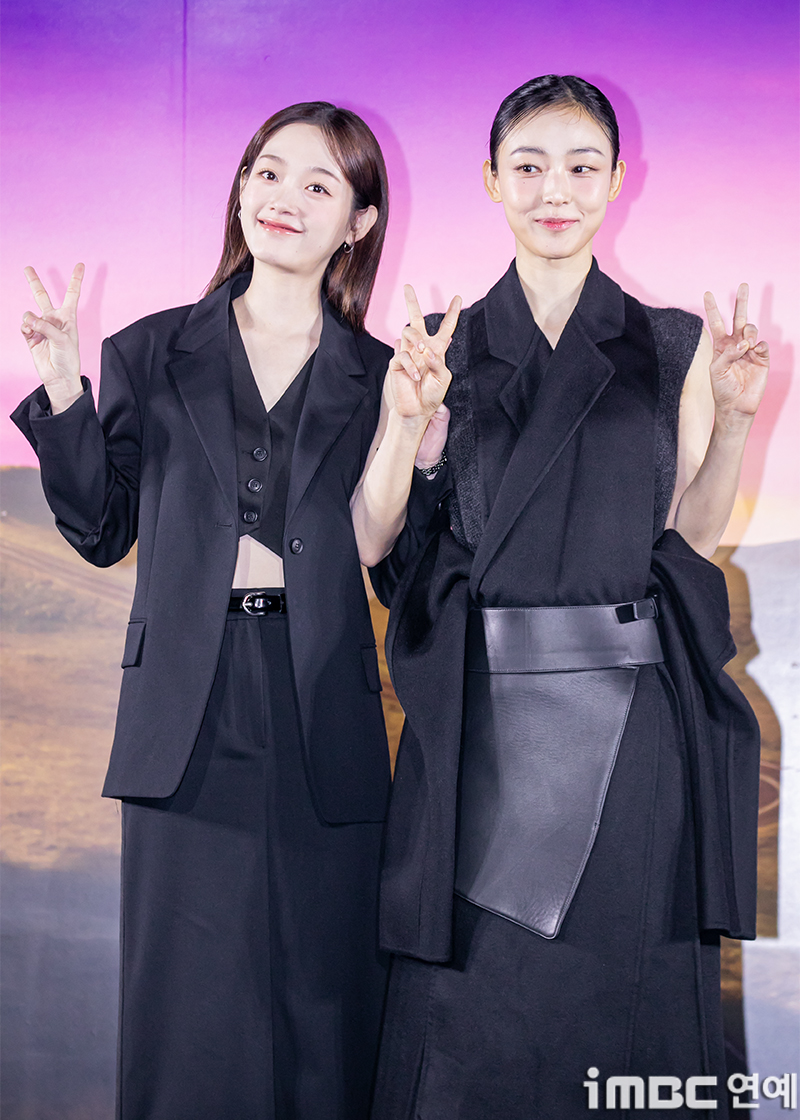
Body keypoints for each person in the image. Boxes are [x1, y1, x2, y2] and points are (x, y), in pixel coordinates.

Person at [352, 76, 766, 1119]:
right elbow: (372, 540)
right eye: (528, 166)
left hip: (632, 731)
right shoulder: (438, 344)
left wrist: (730, 421)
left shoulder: (669, 342)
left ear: (617, 181)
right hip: (480, 726)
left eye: (581, 167)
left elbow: (690, 538)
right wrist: (406, 425)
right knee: (469, 1019)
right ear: (491, 181)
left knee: (624, 1006)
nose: (555, 190)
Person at [13, 101, 397, 1120]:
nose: (284, 198)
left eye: (319, 184)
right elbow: (101, 529)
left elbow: (397, 563)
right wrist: (62, 388)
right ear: (239, 188)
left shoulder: (383, 378)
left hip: (323, 702)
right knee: (186, 1011)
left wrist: (418, 438)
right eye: (268, 172)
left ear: (358, 221)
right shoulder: (150, 351)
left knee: (327, 1000)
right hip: (185, 708)